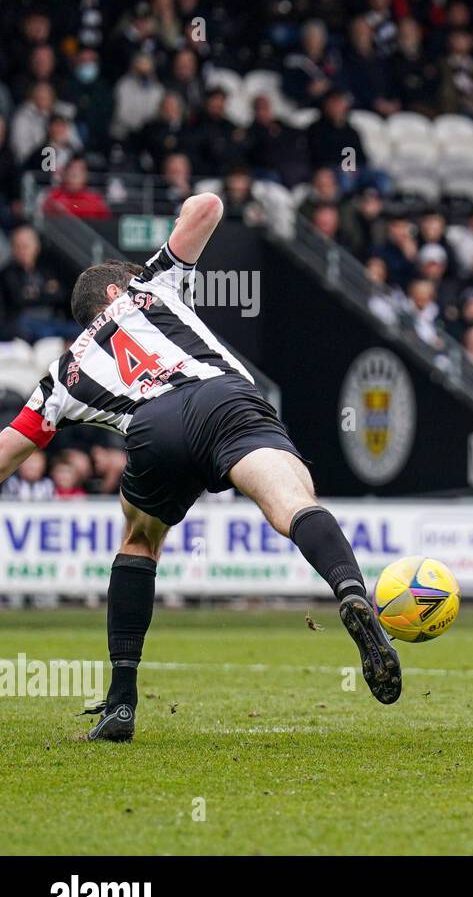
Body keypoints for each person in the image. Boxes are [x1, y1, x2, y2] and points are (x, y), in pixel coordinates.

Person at [0, 193, 403, 742]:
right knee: (293, 502)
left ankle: (121, 702)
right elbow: (209, 206)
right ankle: (352, 592)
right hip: (223, 399)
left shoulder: (63, 372)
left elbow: (10, 450)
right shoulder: (151, 283)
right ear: (116, 290)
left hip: (153, 429)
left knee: (139, 540)